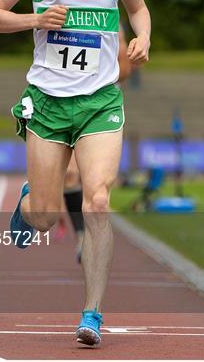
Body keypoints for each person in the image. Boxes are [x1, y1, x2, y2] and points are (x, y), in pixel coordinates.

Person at [0, 0, 150, 347]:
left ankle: (92, 313)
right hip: (49, 102)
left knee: (97, 200)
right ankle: (32, 201)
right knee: (44, 217)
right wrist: (35, 19)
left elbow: (138, 9)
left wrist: (144, 37)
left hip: (100, 99)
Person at [60, 26, 132, 262]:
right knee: (70, 176)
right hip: (66, 104)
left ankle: (94, 239)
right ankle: (81, 235)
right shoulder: (65, 14)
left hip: (101, 108)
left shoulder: (115, 25)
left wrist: (108, 58)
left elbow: (126, 71)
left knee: (98, 190)